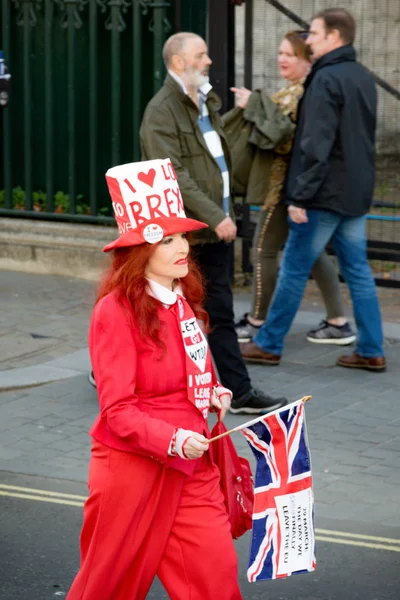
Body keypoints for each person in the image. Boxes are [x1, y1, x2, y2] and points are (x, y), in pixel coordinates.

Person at [67, 158, 243, 600]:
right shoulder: (115, 311)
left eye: (182, 234)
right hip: (132, 469)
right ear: (140, 250)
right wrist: (175, 438)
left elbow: (193, 372)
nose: (182, 246)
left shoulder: (182, 298)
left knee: (216, 579)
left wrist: (212, 393)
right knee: (109, 588)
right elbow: (118, 410)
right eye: (167, 239)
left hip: (191, 464)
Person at [140, 32, 287, 414]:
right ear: (178, 63)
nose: (208, 61)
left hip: (210, 232)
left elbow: (218, 161)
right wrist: (215, 215)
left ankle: (237, 391)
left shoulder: (203, 102)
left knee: (215, 312)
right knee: (166, 312)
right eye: (201, 55)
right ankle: (121, 372)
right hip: (186, 235)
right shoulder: (161, 112)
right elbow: (173, 173)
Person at [240, 8, 386, 372]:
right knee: (358, 271)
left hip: (322, 194)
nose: (309, 40)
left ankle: (268, 343)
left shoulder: (324, 80)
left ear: (335, 36)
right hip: (354, 192)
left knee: (292, 266)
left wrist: (300, 196)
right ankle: (371, 350)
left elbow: (315, 145)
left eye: (315, 34)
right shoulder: (362, 77)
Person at [229, 30, 355, 345]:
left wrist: (255, 106)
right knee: (313, 252)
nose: (282, 58)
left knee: (263, 249)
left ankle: (258, 321)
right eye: (281, 52)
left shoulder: (305, 94)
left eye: (291, 54)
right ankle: (338, 322)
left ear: (308, 60)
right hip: (296, 186)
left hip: (286, 188)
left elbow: (287, 140)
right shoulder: (294, 91)